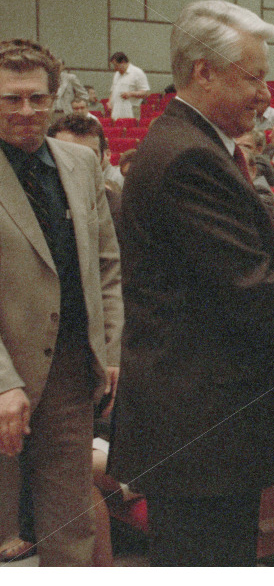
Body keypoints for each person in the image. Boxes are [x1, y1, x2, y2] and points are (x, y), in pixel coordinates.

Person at [107, 0, 274, 567]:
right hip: (202, 430)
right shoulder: (189, 159)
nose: (265, 94)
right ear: (203, 72)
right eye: (252, 76)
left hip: (206, 426)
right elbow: (248, 291)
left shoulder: (192, 145)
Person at [0, 38, 123, 566]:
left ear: (55, 98)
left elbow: (107, 267)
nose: (26, 111)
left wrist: (111, 351)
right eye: (11, 99)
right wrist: (3, 381)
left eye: (37, 98)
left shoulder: (79, 162)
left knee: (69, 521)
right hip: (6, 371)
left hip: (70, 369)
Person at [108, 52, 150, 120]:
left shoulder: (137, 72)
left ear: (123, 62)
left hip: (132, 109)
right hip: (116, 109)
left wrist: (130, 94)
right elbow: (113, 90)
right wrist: (110, 102)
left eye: (116, 65)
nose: (115, 68)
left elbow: (146, 93)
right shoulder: (116, 74)